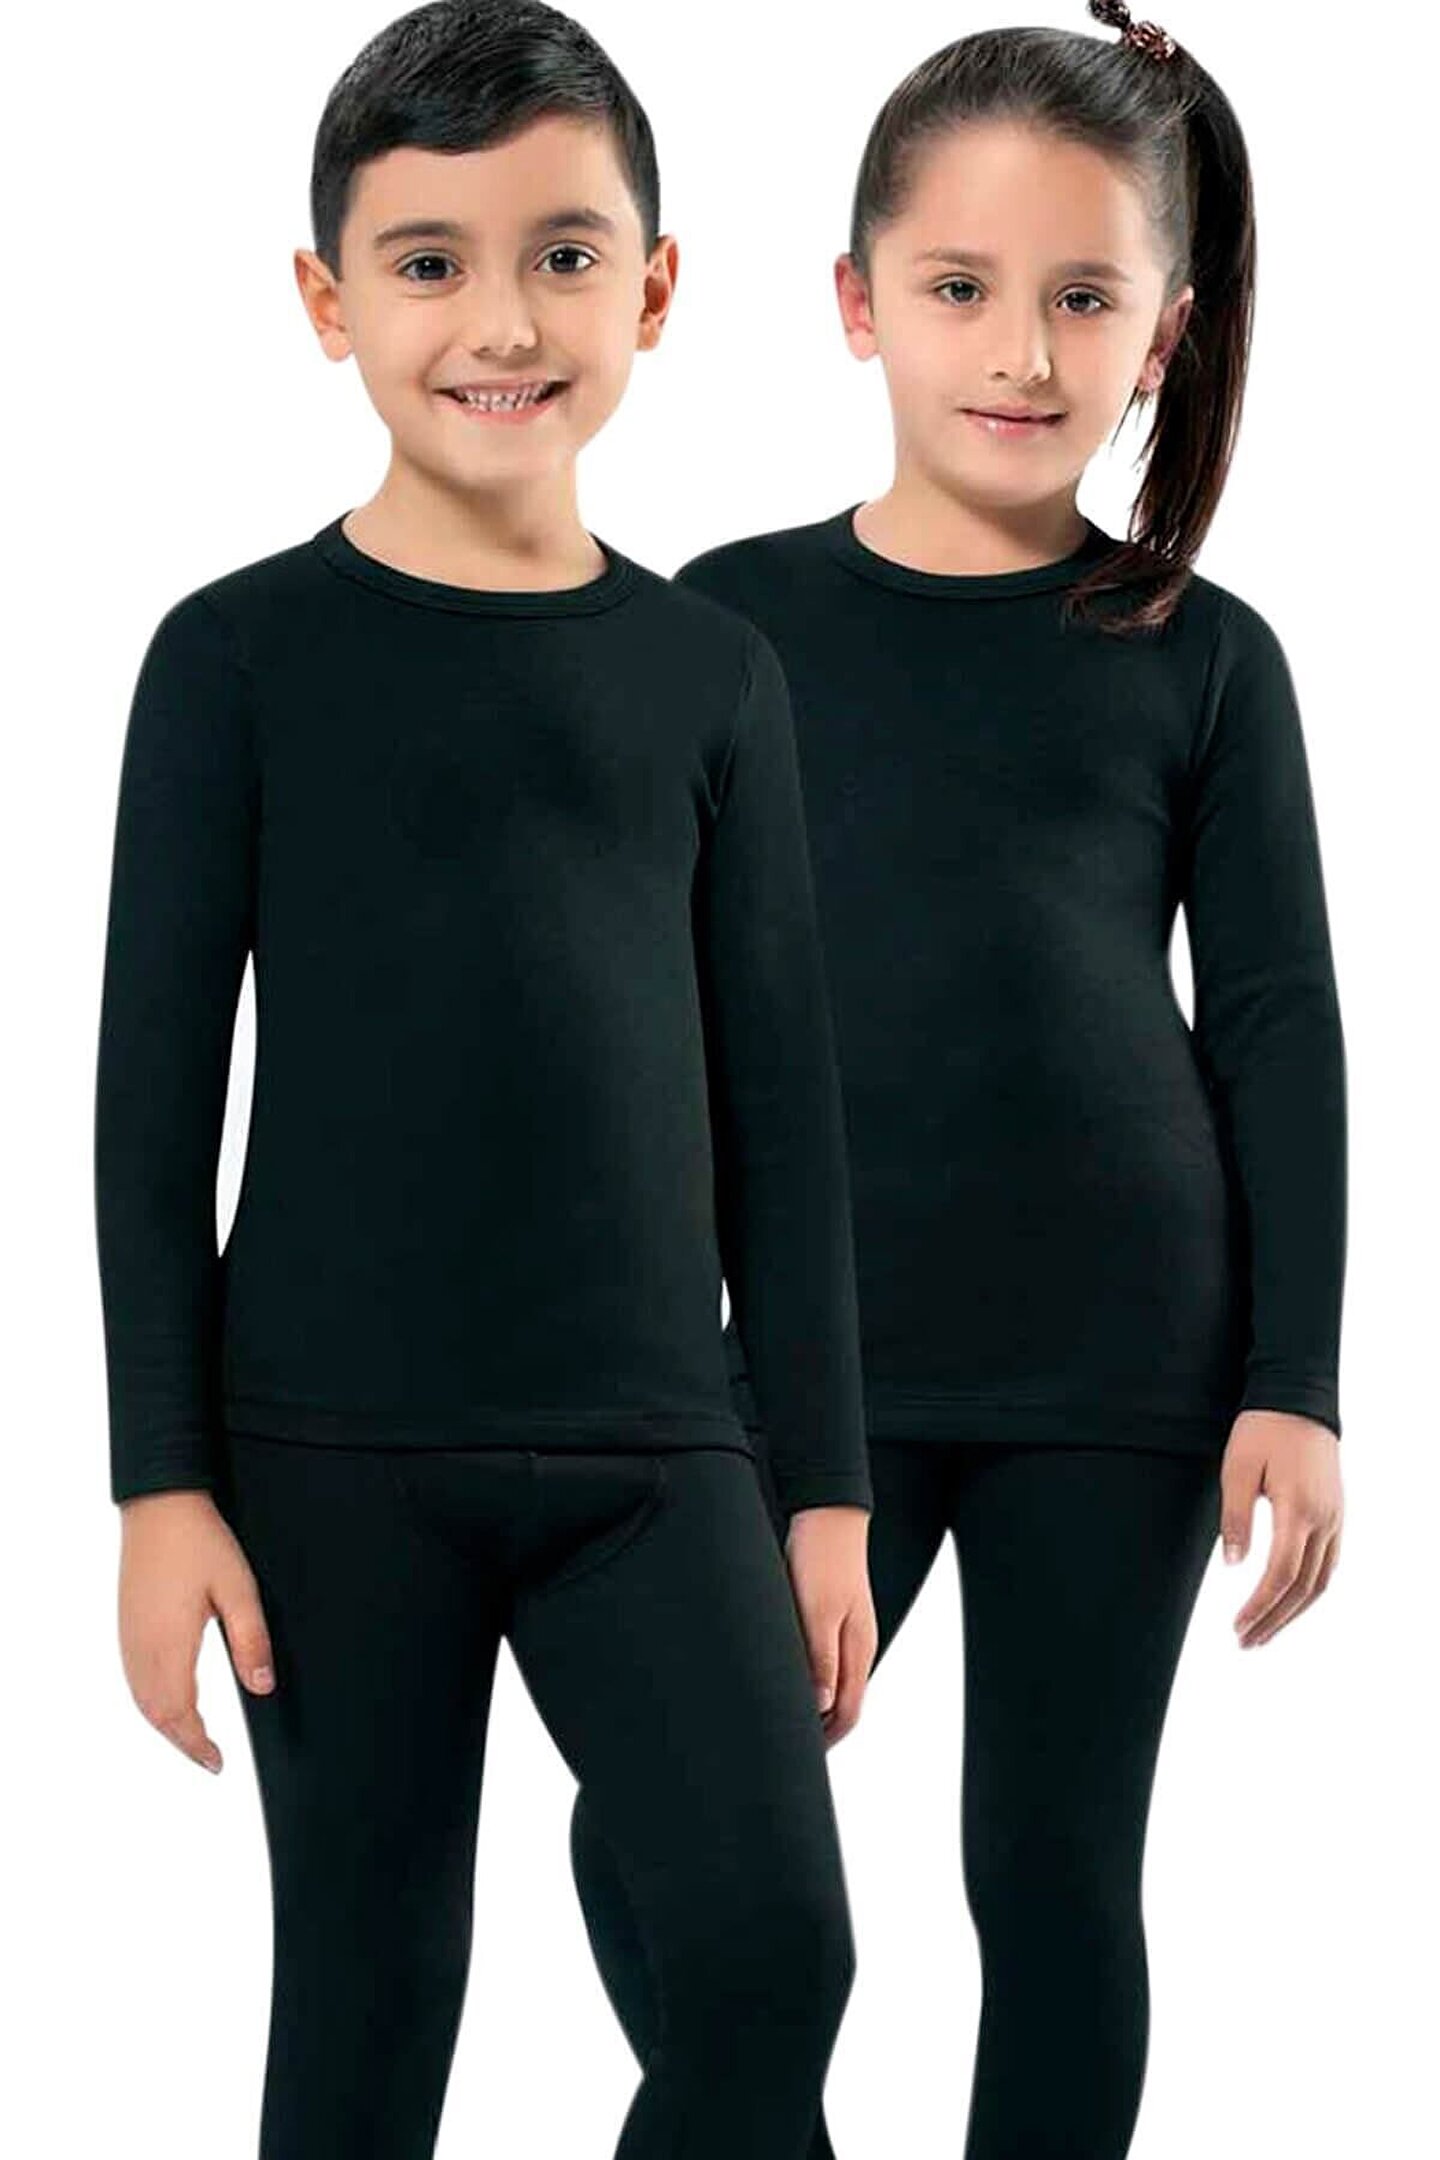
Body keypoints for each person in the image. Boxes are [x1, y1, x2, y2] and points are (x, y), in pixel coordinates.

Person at [92, 4, 879, 2154]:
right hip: (325, 1455)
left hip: (660, 1449)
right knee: (368, 2017)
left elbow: (786, 1108)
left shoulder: (715, 675)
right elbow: (151, 1108)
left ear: (656, 287)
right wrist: (159, 1486)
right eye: (429, 262)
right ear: (326, 298)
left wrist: (822, 1484)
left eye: (563, 255)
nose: (502, 321)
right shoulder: (233, 658)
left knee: (770, 1963)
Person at [568, 6, 1348, 2156]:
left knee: (1052, 1877)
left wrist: (1297, 1378)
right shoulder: (724, 628)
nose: (1021, 349)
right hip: (809, 1361)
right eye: (961, 287)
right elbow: (629, 1015)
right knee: (651, 1840)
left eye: (1084, 299)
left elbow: (1276, 1018)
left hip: (1125, 1360)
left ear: (1163, 336)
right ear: (856, 301)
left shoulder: (1204, 653)